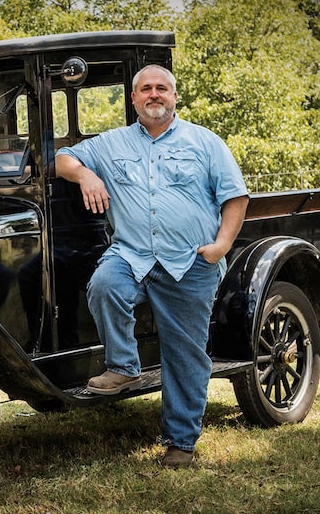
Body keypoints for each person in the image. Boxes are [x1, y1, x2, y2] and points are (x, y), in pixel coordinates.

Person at [55, 64, 249, 468]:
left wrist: (221, 246)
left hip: (190, 260)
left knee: (185, 354)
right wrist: (87, 175)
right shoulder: (112, 143)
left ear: (175, 96)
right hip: (133, 254)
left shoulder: (205, 142)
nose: (154, 95)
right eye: (146, 89)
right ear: (134, 99)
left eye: (162, 88)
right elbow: (61, 158)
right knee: (104, 285)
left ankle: (180, 444)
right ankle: (124, 366)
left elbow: (235, 196)